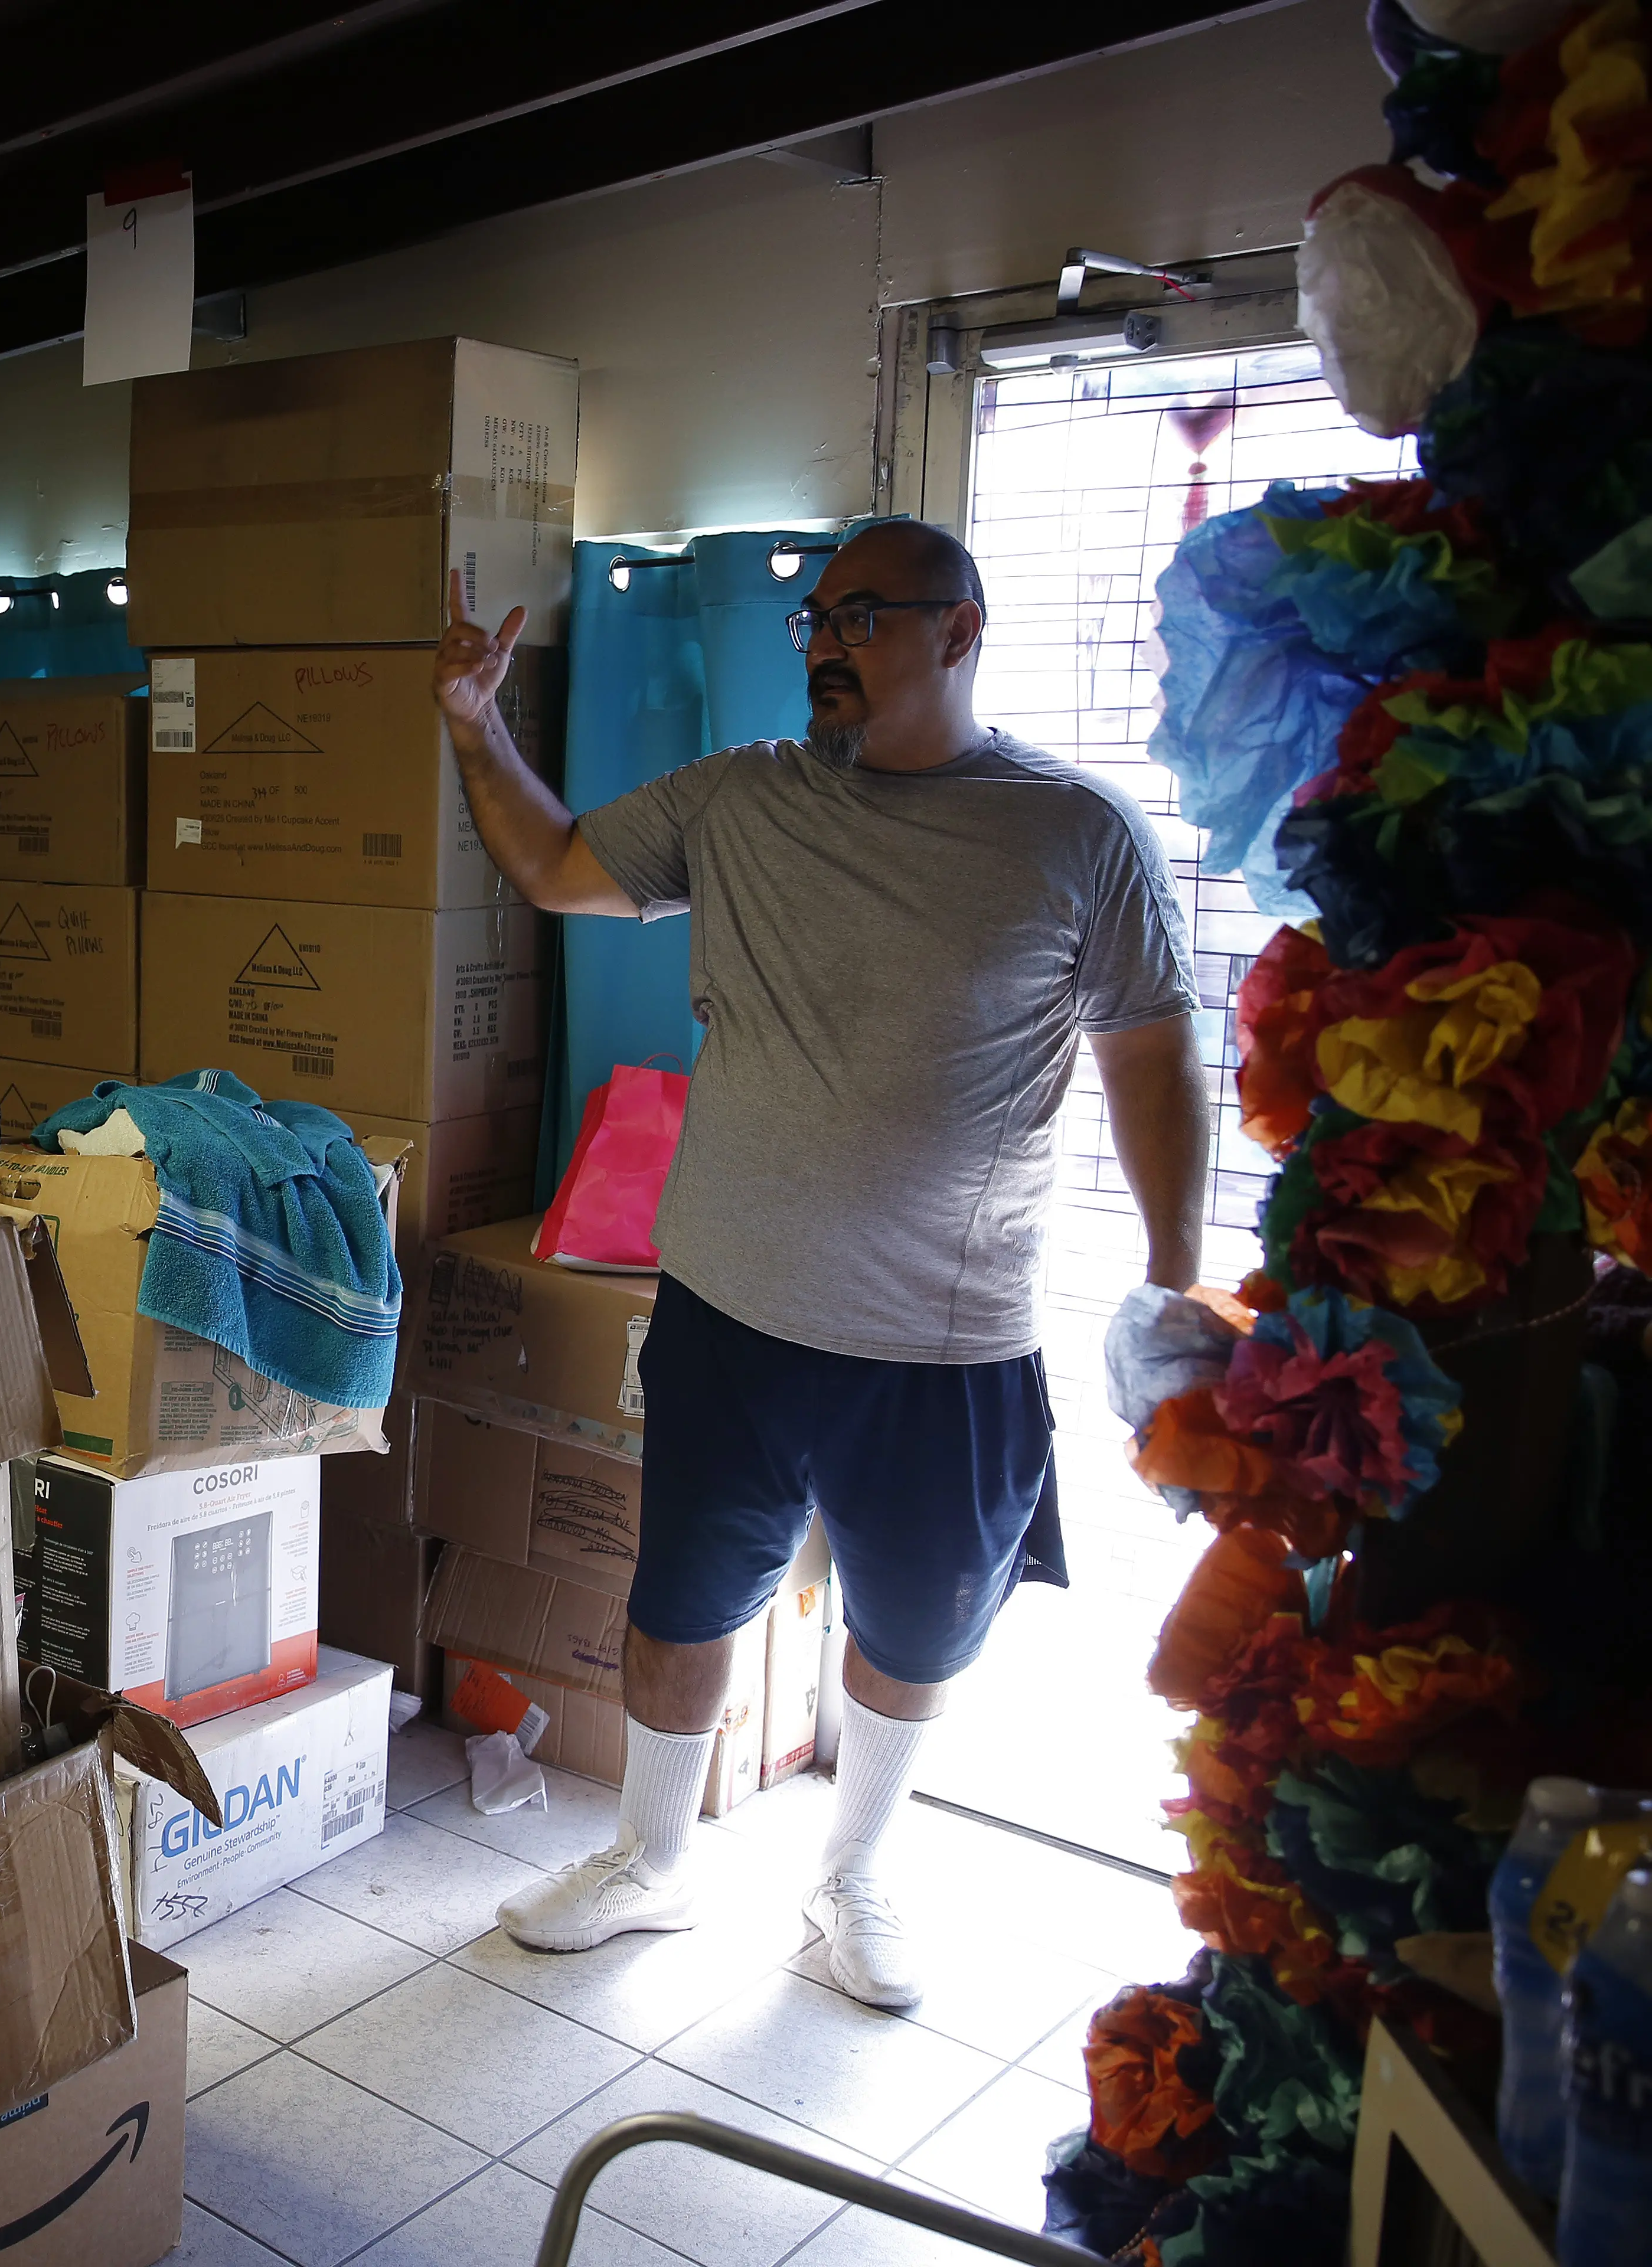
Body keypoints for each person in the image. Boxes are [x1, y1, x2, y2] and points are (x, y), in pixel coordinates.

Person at [434, 521, 1207, 2009]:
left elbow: (1151, 1059)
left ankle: (847, 1878)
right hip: (727, 1312)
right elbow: (549, 865)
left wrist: (1171, 1273)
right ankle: (653, 1863)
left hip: (944, 1340)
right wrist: (471, 723)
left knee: (914, 1630)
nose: (821, 644)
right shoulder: (739, 798)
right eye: (810, 621)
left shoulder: (1068, 832)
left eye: (858, 616)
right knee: (678, 1604)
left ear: (957, 630)